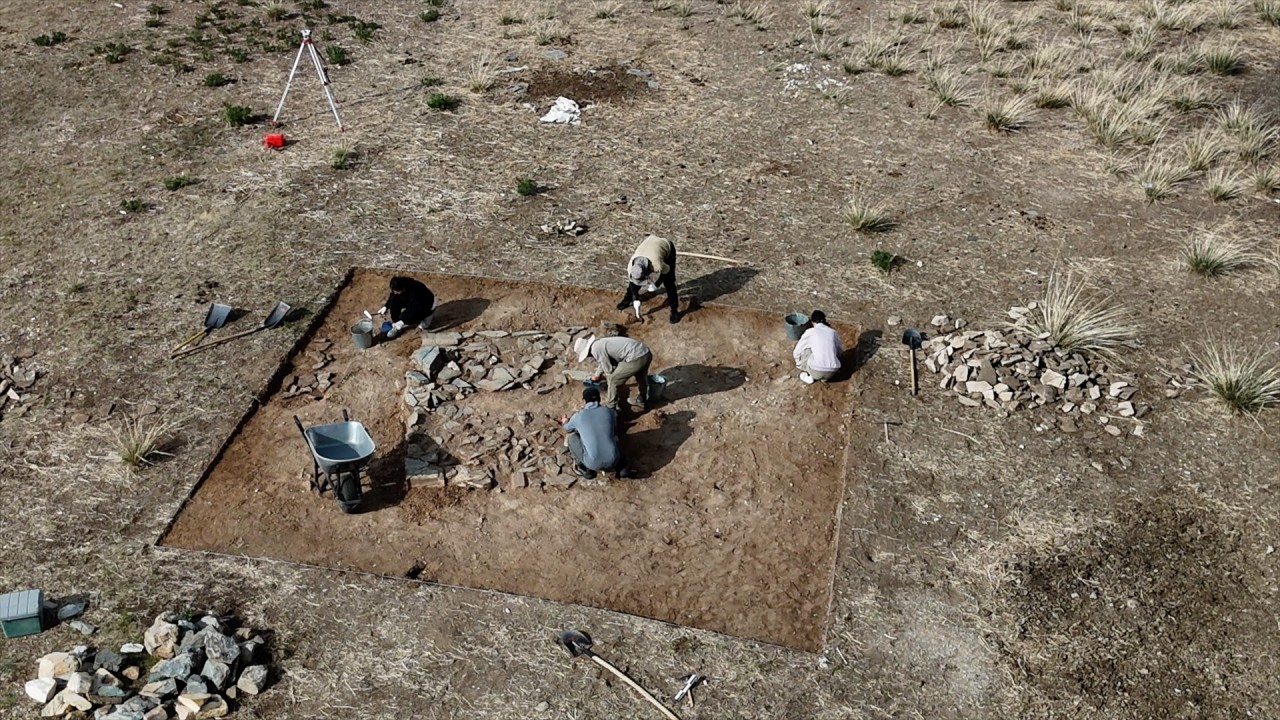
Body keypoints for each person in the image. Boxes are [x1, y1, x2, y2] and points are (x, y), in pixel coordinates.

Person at [560, 386, 627, 479]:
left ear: (584, 401)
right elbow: (615, 429)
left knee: (572, 438)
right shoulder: (610, 412)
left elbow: (567, 429)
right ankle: (622, 466)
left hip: (592, 463)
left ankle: (584, 468)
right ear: (599, 399)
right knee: (613, 436)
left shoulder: (579, 416)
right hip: (613, 459)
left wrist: (565, 421)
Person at [573, 333, 652, 411]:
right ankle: (642, 399)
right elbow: (603, 361)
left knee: (613, 379)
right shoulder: (599, 343)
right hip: (645, 352)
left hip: (635, 358)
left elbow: (609, 370)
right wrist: (597, 374)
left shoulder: (595, 349)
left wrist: (609, 383)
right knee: (641, 377)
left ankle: (611, 407)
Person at [616, 234, 680, 324]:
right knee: (634, 283)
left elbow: (666, 272)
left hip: (665, 246)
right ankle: (627, 299)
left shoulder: (656, 264)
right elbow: (633, 283)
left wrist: (656, 285)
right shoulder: (631, 267)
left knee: (669, 282)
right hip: (649, 244)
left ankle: (674, 310)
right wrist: (635, 299)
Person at [792, 310, 842, 384]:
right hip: (832, 371)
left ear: (812, 322)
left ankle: (810, 377)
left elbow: (797, 351)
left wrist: (799, 364)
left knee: (806, 350)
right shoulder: (833, 332)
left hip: (816, 371)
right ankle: (824, 379)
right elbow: (839, 351)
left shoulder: (810, 332)